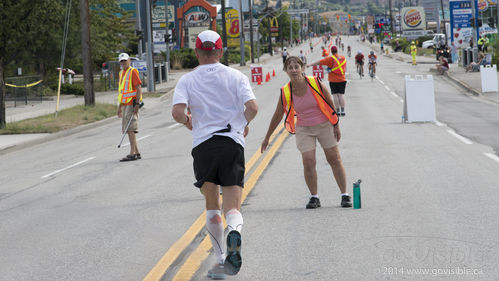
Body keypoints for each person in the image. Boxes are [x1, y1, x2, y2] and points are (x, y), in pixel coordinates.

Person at [171, 30, 258, 280]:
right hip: (232, 142)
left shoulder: (187, 80)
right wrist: (240, 123)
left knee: (212, 205)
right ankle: (235, 231)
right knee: (233, 204)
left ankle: (221, 261)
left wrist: (189, 121)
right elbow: (252, 107)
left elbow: (177, 113)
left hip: (204, 146)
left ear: (197, 53)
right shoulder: (236, 76)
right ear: (220, 52)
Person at [261, 56, 351, 209]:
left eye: (297, 67)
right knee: (308, 161)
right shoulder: (286, 91)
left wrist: (336, 125)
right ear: (286, 71)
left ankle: (344, 194)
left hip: (324, 124)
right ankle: (314, 197)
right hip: (304, 128)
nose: (294, 70)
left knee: (334, 158)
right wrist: (267, 137)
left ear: (302, 68)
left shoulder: (314, 83)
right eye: (290, 68)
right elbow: (277, 115)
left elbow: (329, 102)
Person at [117, 53, 143, 162]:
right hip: (125, 105)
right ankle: (136, 152)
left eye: (125, 60)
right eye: (121, 61)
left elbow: (138, 88)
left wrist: (137, 104)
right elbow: (122, 92)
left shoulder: (132, 72)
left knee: (130, 128)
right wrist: (119, 107)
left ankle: (132, 153)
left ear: (129, 61)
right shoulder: (121, 73)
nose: (123, 63)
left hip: (132, 104)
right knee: (128, 129)